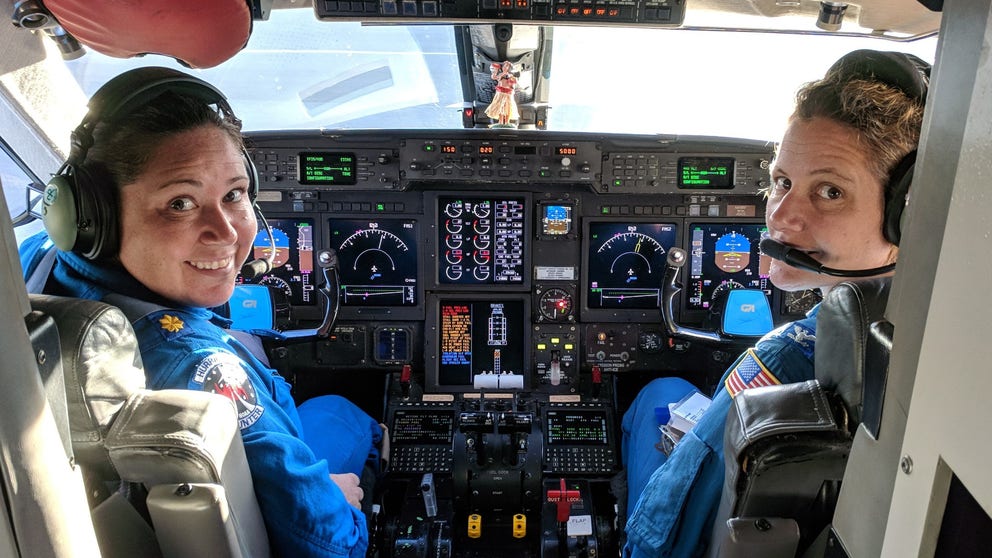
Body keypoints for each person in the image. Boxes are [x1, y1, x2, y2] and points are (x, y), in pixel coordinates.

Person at [18, 67, 382, 558]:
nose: (227, 233)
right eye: (180, 203)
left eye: (234, 194)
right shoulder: (197, 367)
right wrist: (340, 506)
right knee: (347, 414)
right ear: (94, 217)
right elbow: (328, 545)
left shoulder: (37, 258)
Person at [620, 49, 928, 558]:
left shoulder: (788, 355)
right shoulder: (930, 328)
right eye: (781, 181)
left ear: (906, 216)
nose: (781, 217)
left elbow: (661, 536)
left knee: (659, 390)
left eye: (829, 191)